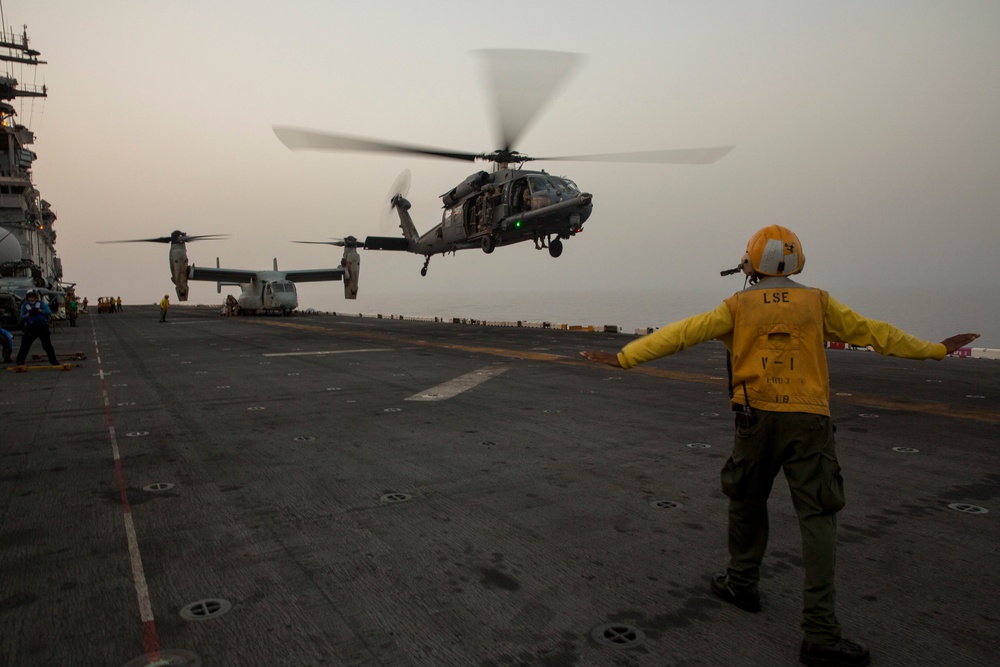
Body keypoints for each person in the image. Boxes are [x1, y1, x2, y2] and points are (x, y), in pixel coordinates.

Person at [580, 225, 979, 667]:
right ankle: (821, 634)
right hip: (809, 421)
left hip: (754, 418)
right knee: (819, 517)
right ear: (797, 262)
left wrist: (624, 357)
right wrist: (936, 350)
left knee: (747, 501)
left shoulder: (738, 305)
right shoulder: (818, 302)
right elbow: (877, 334)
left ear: (752, 264)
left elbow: (682, 333)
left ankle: (741, 583)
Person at [15, 289, 60, 366]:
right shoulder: (25, 306)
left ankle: (53, 361)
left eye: (33, 296)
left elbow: (48, 311)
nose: (31, 298)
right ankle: (20, 361)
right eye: (30, 296)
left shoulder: (40, 304)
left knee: (47, 345)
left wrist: (39, 310)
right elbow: (22, 317)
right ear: (27, 297)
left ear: (36, 296)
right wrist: (28, 314)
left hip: (42, 326)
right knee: (25, 344)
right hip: (31, 327)